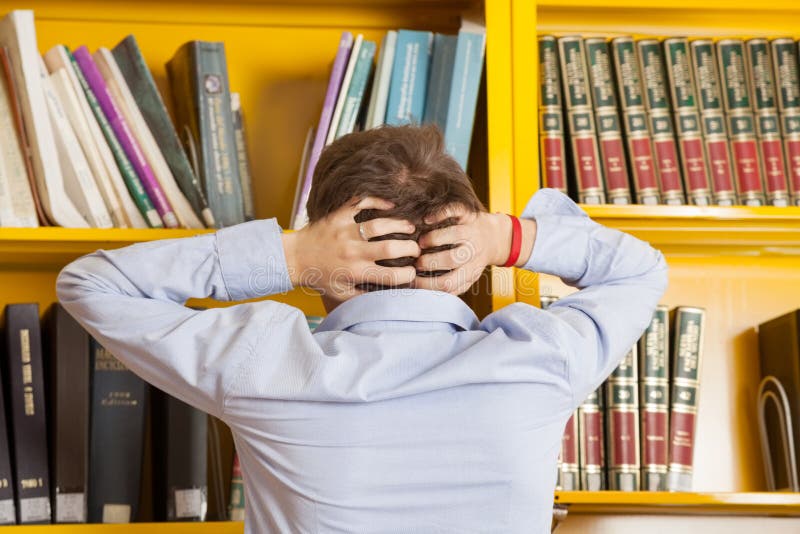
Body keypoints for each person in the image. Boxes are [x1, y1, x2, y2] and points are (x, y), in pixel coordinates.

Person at [57, 124, 668, 533]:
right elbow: (640, 270)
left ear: (331, 240)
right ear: (461, 249)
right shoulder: (542, 360)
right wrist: (506, 237)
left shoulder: (263, 361)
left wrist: (292, 256)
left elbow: (90, 284)